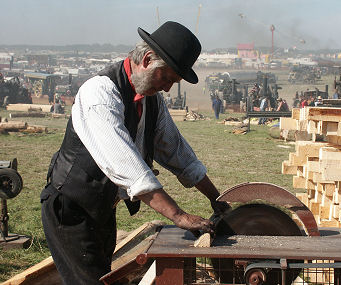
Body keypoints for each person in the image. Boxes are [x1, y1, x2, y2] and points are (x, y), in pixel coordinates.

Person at [40, 21, 230, 285]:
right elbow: (127, 166)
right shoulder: (100, 93)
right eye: (166, 78)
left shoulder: (151, 100)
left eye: (173, 83)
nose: (167, 88)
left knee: (102, 277)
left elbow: (176, 151)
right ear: (148, 59)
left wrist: (216, 198)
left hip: (102, 208)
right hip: (71, 209)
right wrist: (178, 216)